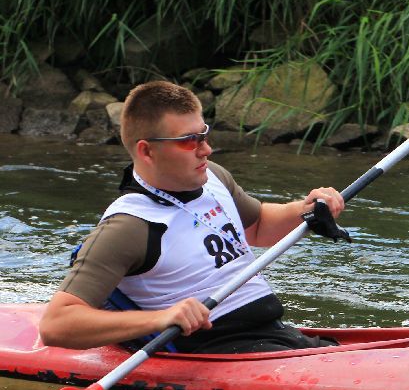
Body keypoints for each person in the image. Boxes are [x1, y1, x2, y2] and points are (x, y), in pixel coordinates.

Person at [39, 81, 349, 354]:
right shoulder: (128, 227)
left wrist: (306, 209)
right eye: (190, 140)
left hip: (271, 334)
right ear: (147, 152)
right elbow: (57, 324)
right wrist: (161, 318)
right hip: (215, 352)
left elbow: (258, 226)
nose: (206, 150)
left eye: (204, 134)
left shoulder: (212, 178)